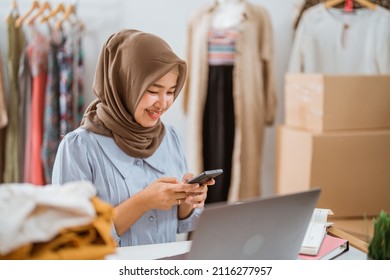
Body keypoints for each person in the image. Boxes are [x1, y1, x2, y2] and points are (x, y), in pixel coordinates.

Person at [52, 29, 213, 247]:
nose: (163, 103)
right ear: (124, 84)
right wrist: (144, 201)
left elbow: (181, 225)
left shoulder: (170, 137)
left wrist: (188, 200)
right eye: (154, 91)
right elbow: (73, 237)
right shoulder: (79, 147)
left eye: (171, 91)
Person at [183, 0, 277, 203]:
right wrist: (186, 102)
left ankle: (240, 220)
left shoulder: (259, 16)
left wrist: (269, 107)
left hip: (245, 99)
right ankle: (202, 217)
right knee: (205, 155)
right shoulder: (199, 16)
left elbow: (268, 62)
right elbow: (189, 61)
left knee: (242, 160)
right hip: (206, 97)